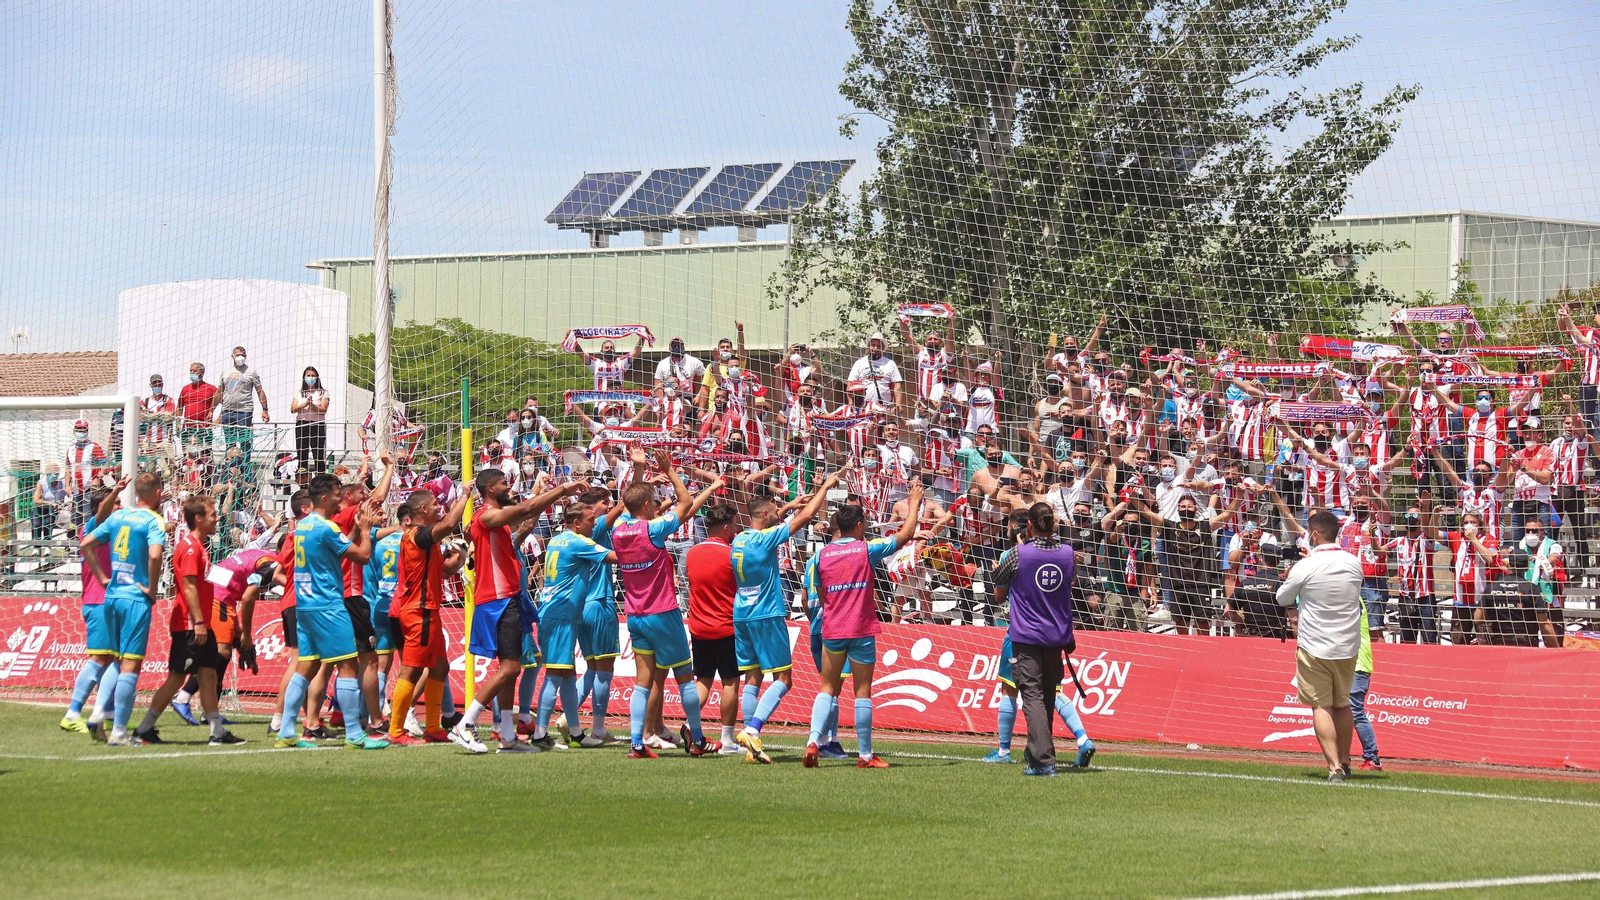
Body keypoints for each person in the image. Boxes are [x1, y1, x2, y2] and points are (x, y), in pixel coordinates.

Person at [450, 469, 582, 753]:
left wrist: (541, 493)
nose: (508, 487)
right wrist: (561, 490)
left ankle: (508, 737)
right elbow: (525, 508)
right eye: (503, 484)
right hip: (496, 601)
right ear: (489, 489)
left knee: (511, 668)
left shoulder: (496, 518)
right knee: (510, 667)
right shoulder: (484, 516)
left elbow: (525, 511)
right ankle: (466, 723)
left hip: (508, 598)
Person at [612, 451, 723, 757]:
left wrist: (637, 470)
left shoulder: (619, 529)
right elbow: (686, 504)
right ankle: (698, 740)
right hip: (662, 611)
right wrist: (670, 471)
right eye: (651, 501)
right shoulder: (653, 528)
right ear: (647, 506)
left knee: (642, 682)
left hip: (634, 614)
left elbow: (627, 503)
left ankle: (637, 742)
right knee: (685, 676)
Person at [803, 487, 924, 769]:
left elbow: (822, 597)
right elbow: (905, 536)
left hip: (832, 629)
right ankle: (866, 756)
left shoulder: (821, 556)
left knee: (826, 688)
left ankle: (812, 741)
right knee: (862, 692)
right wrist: (915, 501)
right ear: (859, 526)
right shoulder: (866, 549)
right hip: (860, 629)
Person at [730, 467, 843, 763]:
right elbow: (805, 519)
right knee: (783, 678)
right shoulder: (764, 540)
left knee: (752, 677)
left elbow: (777, 517)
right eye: (775, 510)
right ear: (765, 515)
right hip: (765, 614)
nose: (779, 512)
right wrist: (825, 488)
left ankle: (748, 739)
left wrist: (790, 505)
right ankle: (753, 730)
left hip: (740, 613)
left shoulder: (739, 539)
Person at [276, 473, 386, 751]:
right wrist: (364, 530)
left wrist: (352, 533)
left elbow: (334, 551)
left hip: (304, 606)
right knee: (349, 666)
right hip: (328, 606)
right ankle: (353, 734)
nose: (341, 498)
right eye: (338, 494)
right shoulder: (325, 527)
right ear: (325, 498)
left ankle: (287, 731)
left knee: (306, 667)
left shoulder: (303, 526)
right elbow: (361, 556)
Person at [992, 503, 1085, 777]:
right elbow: (1069, 584)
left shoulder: (1017, 554)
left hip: (1027, 636)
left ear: (1028, 525)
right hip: (1056, 636)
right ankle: (1040, 756)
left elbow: (998, 588)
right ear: (1052, 526)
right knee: (1046, 697)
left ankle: (1043, 761)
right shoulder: (1068, 554)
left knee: (1031, 696)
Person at [1275, 509, 1364, 781]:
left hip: (1315, 646)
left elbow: (1281, 598)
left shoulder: (1306, 566)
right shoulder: (1354, 562)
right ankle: (1346, 760)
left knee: (1321, 706)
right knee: (1343, 704)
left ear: (1314, 535)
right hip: (1347, 646)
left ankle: (1334, 766)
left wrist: (1295, 573)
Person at [78, 472, 167, 746]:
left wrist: (103, 578)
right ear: (157, 492)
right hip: (134, 599)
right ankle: (118, 733)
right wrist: (152, 588)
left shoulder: (118, 516)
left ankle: (97, 713)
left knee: (116, 660)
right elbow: (154, 555)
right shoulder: (154, 520)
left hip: (112, 597)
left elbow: (86, 544)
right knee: (131, 664)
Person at [384, 488, 469, 746]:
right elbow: (450, 523)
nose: (437, 507)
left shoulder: (425, 541)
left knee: (440, 666)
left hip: (427, 609)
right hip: (417, 610)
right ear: (423, 510)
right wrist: (465, 496)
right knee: (411, 670)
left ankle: (433, 726)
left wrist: (460, 556)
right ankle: (396, 730)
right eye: (434, 504)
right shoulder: (418, 535)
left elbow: (443, 571)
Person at [531, 500, 618, 750]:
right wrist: (642, 548)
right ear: (577, 523)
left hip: (556, 611)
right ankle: (539, 735)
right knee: (555, 674)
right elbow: (613, 557)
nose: (594, 524)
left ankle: (577, 733)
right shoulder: (580, 542)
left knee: (568, 676)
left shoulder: (557, 539)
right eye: (591, 520)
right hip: (560, 613)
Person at [58, 482, 121, 734]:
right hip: (98, 601)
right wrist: (114, 492)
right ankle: (72, 713)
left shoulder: (110, 532)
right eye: (117, 503)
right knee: (99, 659)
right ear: (100, 508)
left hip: (107, 601)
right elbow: (104, 510)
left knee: (112, 660)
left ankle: (110, 715)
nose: (121, 505)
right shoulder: (94, 526)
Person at [686, 503, 747, 755]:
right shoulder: (731, 555)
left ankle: (690, 726)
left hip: (699, 626)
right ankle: (727, 739)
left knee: (703, 681)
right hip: (725, 627)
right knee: (730, 682)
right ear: (725, 528)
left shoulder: (691, 553)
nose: (735, 530)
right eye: (733, 526)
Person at [216, 346, 268, 461]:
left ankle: (244, 468)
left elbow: (260, 391)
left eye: (243, 355)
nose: (240, 357)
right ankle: (231, 468)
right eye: (238, 355)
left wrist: (265, 410)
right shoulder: (225, 372)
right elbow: (219, 392)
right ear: (232, 356)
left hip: (244, 411)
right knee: (230, 442)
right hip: (227, 411)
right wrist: (212, 411)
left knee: (245, 441)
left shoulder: (251, 372)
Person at [1349, 603, 1382, 771]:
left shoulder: (1353, 598)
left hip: (1358, 664)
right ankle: (1341, 758)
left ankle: (1372, 757)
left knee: (1355, 711)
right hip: (1346, 663)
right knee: (1340, 710)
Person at [65, 419, 106, 528]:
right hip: (76, 491)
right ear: (74, 432)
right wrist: (67, 485)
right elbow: (68, 468)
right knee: (75, 520)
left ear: (87, 432)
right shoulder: (71, 449)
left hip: (90, 490)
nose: (81, 432)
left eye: (83, 430)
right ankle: (77, 543)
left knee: (88, 519)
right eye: (79, 429)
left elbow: (105, 463)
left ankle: (89, 542)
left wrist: (98, 477)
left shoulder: (93, 446)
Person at [848, 333, 903, 412]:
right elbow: (850, 384)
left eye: (878, 346)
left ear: (883, 348)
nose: (875, 348)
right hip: (864, 408)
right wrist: (851, 403)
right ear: (869, 346)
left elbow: (897, 386)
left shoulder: (890, 364)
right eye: (873, 345)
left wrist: (898, 405)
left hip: (885, 407)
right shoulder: (859, 363)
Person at [290, 366, 330, 475]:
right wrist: (304, 404)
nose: (310, 378)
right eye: (308, 376)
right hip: (302, 423)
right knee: (302, 451)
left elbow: (323, 410)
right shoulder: (300, 393)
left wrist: (312, 406)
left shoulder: (323, 392)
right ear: (304, 377)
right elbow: (293, 409)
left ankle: (321, 475)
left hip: (317, 424)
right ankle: (302, 475)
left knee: (318, 452)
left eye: (313, 376)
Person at [177, 361, 218, 458]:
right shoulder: (185, 389)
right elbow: (179, 406)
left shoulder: (210, 388)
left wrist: (219, 419)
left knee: (205, 457)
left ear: (202, 373)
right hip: (187, 428)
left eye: (195, 371)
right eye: (191, 371)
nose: (192, 373)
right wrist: (178, 422)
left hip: (204, 428)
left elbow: (225, 403)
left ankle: (206, 472)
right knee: (187, 458)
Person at [30, 464, 67, 544]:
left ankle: (48, 546)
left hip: (53, 511)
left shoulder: (62, 484)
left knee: (48, 522)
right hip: (40, 509)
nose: (53, 475)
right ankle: (36, 548)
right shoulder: (41, 483)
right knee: (36, 524)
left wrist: (71, 503)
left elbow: (70, 494)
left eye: (55, 473)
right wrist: (50, 503)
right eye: (50, 474)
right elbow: (36, 500)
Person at [142, 374, 178, 453]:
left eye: (159, 384)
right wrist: (160, 414)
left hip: (165, 441)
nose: (157, 386)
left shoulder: (168, 400)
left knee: (167, 464)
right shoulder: (145, 401)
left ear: (162, 384)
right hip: (149, 441)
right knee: (150, 465)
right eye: (155, 384)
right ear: (151, 385)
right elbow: (141, 418)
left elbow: (169, 417)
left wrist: (150, 416)